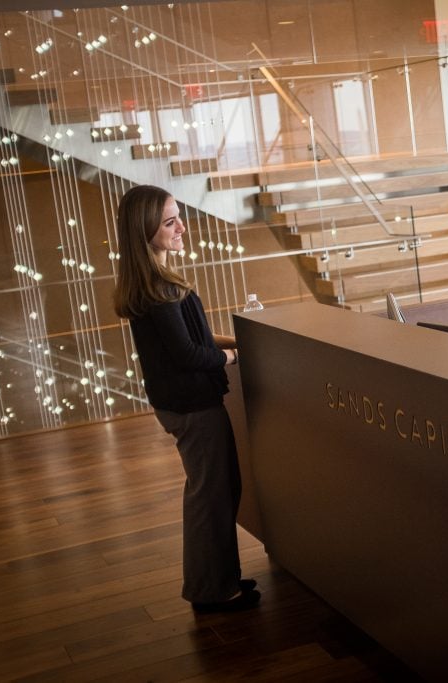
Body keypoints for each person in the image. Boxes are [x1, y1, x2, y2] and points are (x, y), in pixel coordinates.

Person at [113, 184, 259, 613]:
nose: (182, 228)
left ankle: (218, 580)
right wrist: (231, 356)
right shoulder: (157, 288)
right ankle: (211, 591)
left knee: (217, 491)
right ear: (146, 230)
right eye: (170, 221)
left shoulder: (157, 280)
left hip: (188, 402)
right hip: (191, 406)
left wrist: (240, 338)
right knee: (210, 496)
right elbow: (190, 354)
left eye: (179, 216)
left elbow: (194, 336)